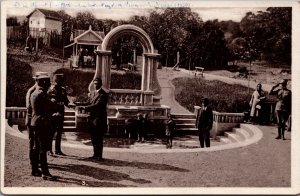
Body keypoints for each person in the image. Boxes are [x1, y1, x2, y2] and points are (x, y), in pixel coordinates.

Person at [30, 74, 58, 180]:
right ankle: (45, 173)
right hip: (42, 123)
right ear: (44, 83)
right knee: (42, 148)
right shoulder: (42, 94)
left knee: (36, 147)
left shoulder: (34, 93)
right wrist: (53, 101)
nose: (49, 85)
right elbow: (52, 107)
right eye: (48, 83)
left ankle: (34, 169)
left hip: (35, 122)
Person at [25, 72, 48, 177]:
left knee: (35, 144)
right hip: (32, 120)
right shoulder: (34, 91)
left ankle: (36, 164)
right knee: (33, 144)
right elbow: (29, 108)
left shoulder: (37, 90)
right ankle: (33, 164)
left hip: (34, 120)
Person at [79, 78, 108, 161]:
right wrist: (79, 104)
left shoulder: (103, 95)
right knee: (93, 138)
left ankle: (99, 156)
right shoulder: (92, 93)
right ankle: (95, 154)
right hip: (92, 119)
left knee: (99, 138)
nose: (96, 85)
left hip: (99, 119)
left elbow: (97, 106)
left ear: (100, 84)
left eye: (98, 83)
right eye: (95, 83)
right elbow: (89, 103)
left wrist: (85, 108)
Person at [48, 74, 71, 156]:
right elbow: (48, 102)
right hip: (53, 113)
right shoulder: (50, 90)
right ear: (55, 81)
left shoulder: (63, 90)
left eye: (62, 81)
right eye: (59, 81)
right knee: (51, 132)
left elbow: (66, 101)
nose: (61, 83)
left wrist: (70, 105)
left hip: (61, 113)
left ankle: (58, 150)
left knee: (59, 132)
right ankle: (49, 150)